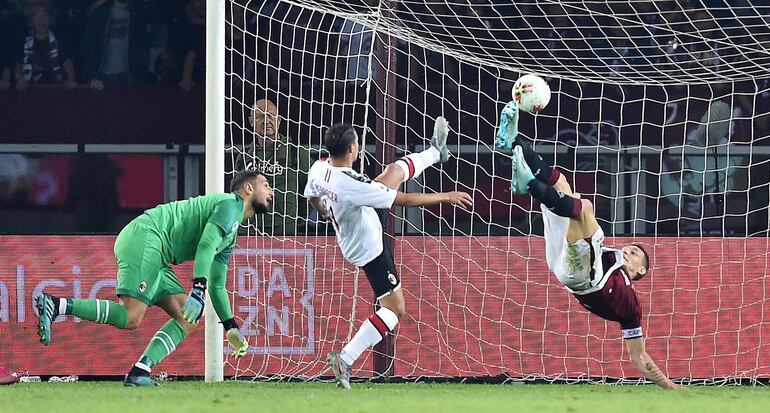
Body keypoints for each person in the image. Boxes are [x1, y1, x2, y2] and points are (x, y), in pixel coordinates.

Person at [495, 101, 678, 389]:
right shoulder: (609, 257)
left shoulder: (630, 303)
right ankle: (514, 141)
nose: (627, 250)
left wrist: (670, 386)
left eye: (634, 254)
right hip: (563, 261)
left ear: (640, 271)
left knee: (585, 208)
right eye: (629, 248)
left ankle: (528, 184)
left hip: (583, 278)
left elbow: (638, 356)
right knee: (563, 185)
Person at [35, 170, 274, 386]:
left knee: (187, 317)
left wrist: (230, 326)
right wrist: (198, 288)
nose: (271, 192)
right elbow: (205, 246)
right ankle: (57, 305)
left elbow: (218, 285)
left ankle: (141, 371)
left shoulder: (230, 234)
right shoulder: (230, 205)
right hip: (147, 238)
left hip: (158, 253)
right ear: (248, 189)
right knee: (131, 317)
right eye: (266, 185)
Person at [305, 119, 474, 389]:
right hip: (368, 248)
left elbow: (312, 195)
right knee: (395, 309)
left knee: (394, 172)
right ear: (352, 149)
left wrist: (325, 211)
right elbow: (403, 200)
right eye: (357, 143)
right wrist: (446, 196)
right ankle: (346, 358)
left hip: (361, 218)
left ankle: (435, 152)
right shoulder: (354, 185)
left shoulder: (319, 168)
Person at [235, 98, 311, 235]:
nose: (266, 121)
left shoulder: (295, 153)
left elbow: (311, 190)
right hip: (248, 230)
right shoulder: (244, 156)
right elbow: (237, 193)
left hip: (284, 230)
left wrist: (296, 218)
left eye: (270, 116)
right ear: (251, 121)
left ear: (279, 120)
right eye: (259, 117)